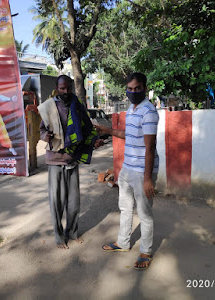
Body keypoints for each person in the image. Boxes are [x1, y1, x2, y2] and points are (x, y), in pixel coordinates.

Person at [95, 72, 159, 270]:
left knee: (145, 214)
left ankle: (146, 251)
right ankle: (123, 242)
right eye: (129, 89)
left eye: (137, 88)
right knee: (125, 208)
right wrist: (107, 130)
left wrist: (148, 179)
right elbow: (128, 134)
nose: (132, 92)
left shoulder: (148, 112)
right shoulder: (132, 109)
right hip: (127, 169)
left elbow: (150, 147)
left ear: (144, 88)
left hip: (142, 172)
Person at [38, 75, 103, 249]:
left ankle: (72, 232)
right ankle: (59, 238)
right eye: (62, 88)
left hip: (72, 158)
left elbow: (87, 128)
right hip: (55, 159)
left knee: (73, 202)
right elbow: (41, 130)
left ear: (72, 88)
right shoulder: (48, 106)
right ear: (57, 88)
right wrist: (46, 136)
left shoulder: (78, 106)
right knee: (57, 202)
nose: (65, 91)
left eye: (68, 88)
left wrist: (94, 140)